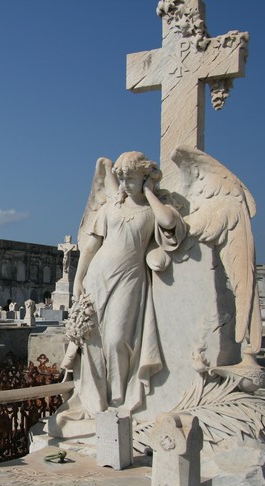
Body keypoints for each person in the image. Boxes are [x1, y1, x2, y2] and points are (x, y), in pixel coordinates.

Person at [49, 152, 185, 438]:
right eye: (121, 177)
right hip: (98, 275)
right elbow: (90, 246)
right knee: (94, 342)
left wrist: (148, 191)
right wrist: (78, 279)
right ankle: (98, 403)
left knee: (116, 339)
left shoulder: (153, 209)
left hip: (129, 277)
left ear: (146, 176)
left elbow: (169, 224)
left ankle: (120, 401)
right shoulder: (110, 208)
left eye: (131, 177)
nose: (124, 182)